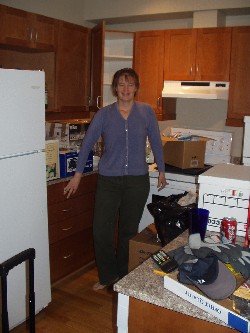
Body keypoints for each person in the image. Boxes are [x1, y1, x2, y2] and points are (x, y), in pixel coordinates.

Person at [64, 68, 167, 290]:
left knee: (128, 231)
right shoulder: (104, 114)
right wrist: (77, 175)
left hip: (137, 181)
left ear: (136, 88)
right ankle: (107, 276)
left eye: (130, 84)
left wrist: (162, 170)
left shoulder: (146, 112)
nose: (126, 89)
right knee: (101, 230)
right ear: (115, 89)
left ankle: (122, 275)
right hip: (109, 181)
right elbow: (87, 143)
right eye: (121, 84)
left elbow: (156, 142)